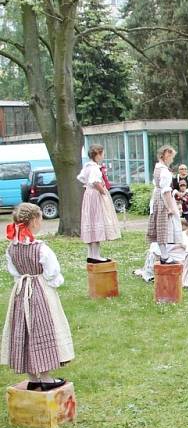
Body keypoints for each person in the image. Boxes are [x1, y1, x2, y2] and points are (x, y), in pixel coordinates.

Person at [1, 203, 73, 391]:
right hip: (40, 291)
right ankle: (46, 378)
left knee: (25, 330)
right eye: (40, 218)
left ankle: (33, 377)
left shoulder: (11, 248)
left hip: (21, 291)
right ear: (34, 221)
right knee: (42, 329)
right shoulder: (41, 248)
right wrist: (56, 282)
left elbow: (14, 272)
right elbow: (52, 273)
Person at [77, 144, 121, 263]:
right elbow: (95, 181)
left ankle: (91, 253)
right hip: (95, 196)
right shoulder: (95, 168)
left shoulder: (87, 166)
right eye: (102, 154)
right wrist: (102, 191)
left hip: (89, 194)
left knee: (91, 221)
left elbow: (81, 178)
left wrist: (89, 186)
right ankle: (95, 255)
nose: (103, 156)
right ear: (97, 154)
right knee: (97, 221)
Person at [147, 145, 183, 265]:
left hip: (157, 198)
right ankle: (164, 255)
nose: (172, 159)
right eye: (171, 157)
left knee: (161, 227)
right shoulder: (164, 171)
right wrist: (170, 207)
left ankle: (164, 253)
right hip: (162, 200)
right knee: (163, 227)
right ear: (166, 155)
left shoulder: (158, 168)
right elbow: (166, 191)